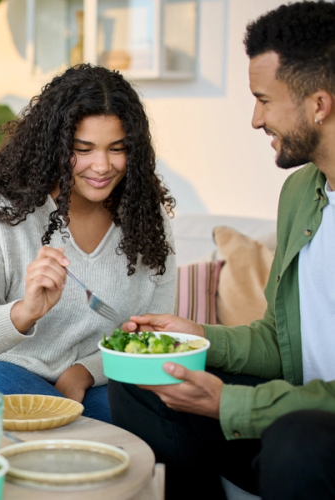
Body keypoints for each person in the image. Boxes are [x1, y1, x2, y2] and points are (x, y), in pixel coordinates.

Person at [108, 1, 335, 498]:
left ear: (319, 104)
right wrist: (197, 337)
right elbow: (281, 341)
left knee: (298, 442)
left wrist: (229, 405)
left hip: (313, 434)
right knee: (145, 381)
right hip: (290, 413)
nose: (255, 120)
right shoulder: (303, 194)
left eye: (264, 99)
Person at [0, 64, 177, 424]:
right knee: (63, 424)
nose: (102, 166)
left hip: (83, 377)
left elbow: (150, 334)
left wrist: (83, 372)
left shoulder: (147, 220)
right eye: (83, 149)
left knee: (157, 427)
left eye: (116, 149)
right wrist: (25, 311)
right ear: (55, 146)